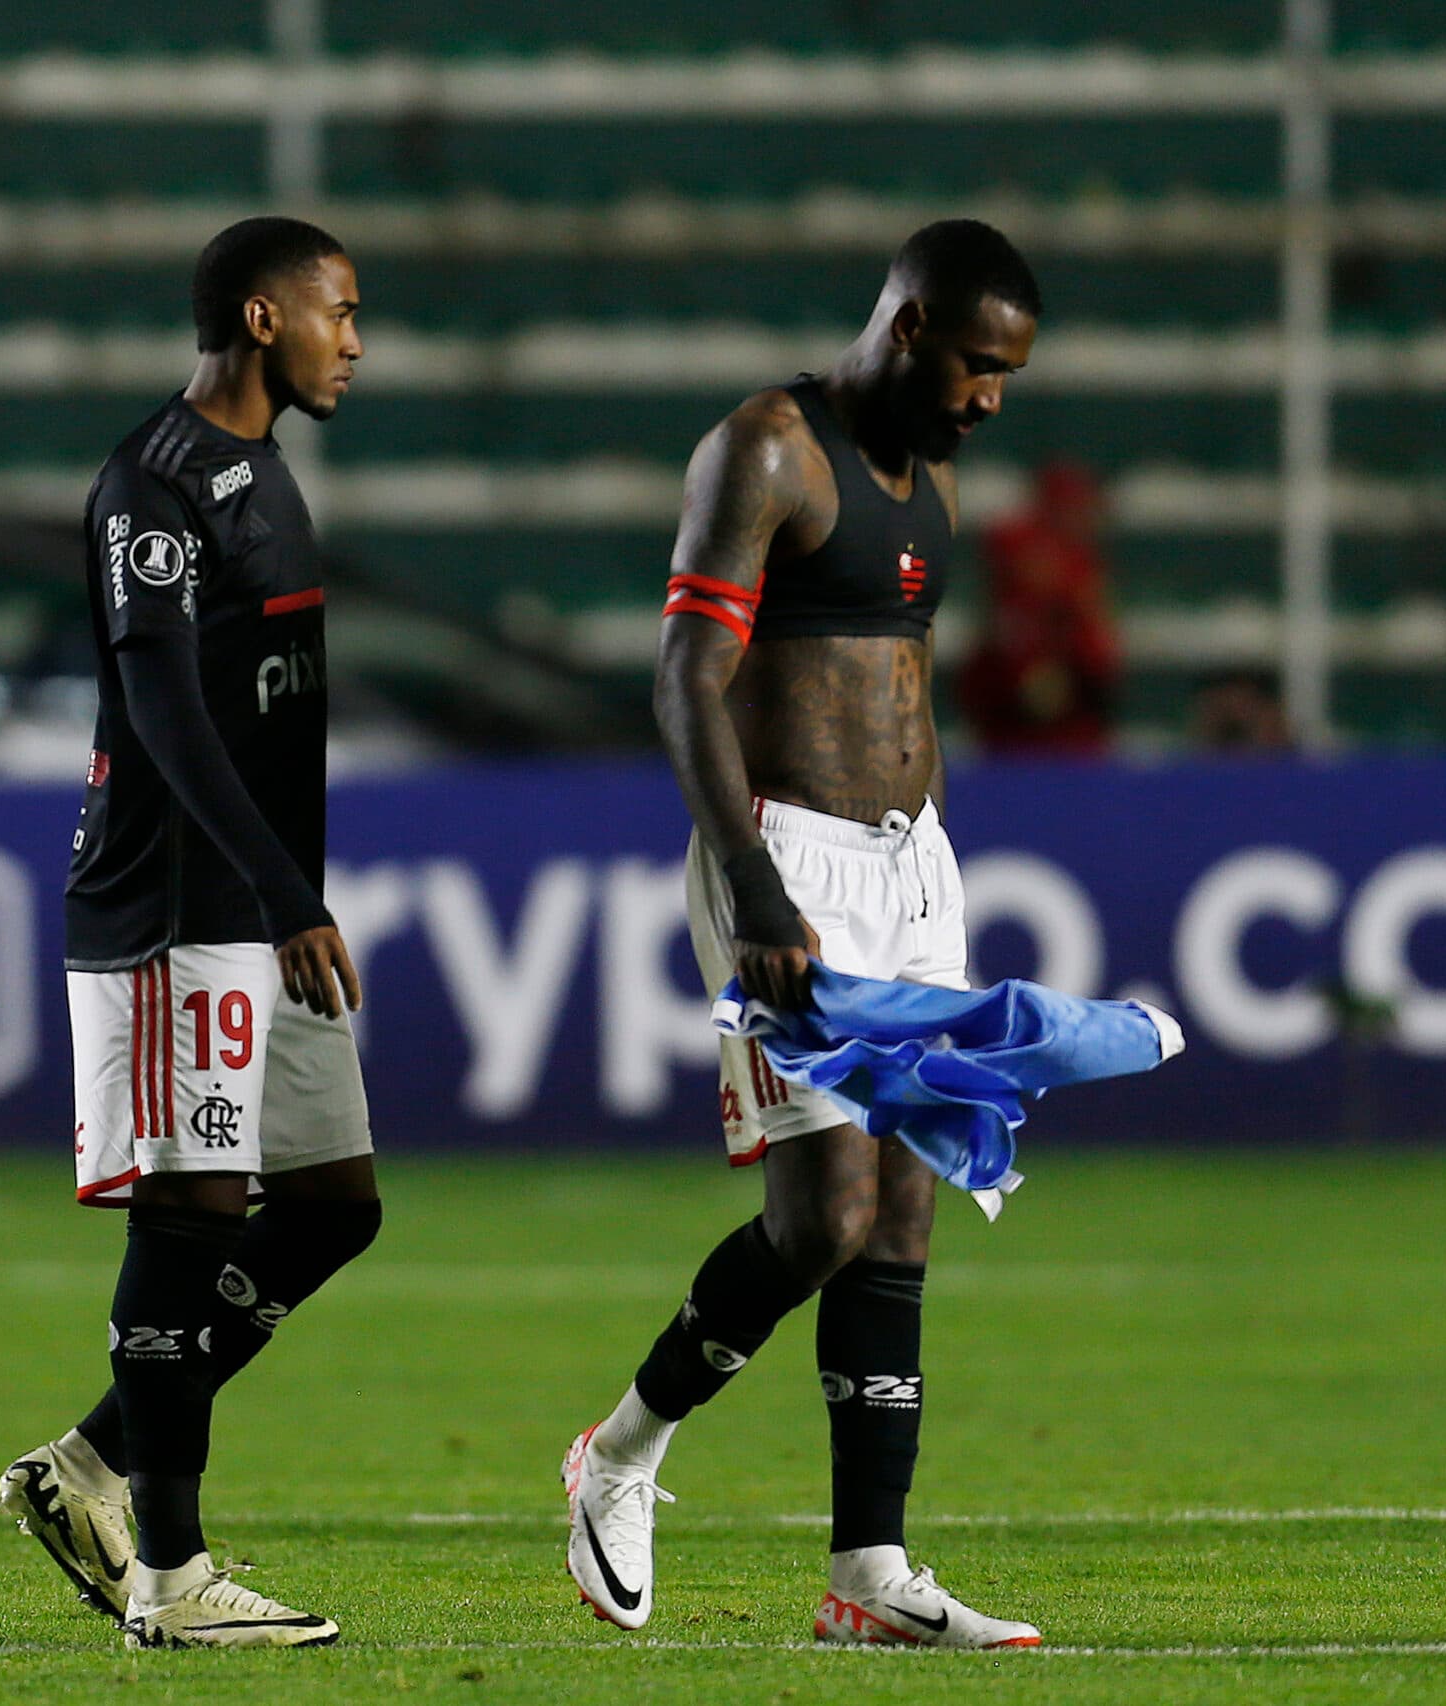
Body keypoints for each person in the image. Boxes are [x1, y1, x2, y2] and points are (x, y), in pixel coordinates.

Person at [561, 220, 1046, 1648]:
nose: (989, 397)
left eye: (1009, 373)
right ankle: (624, 1448)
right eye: (976, 364)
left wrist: (934, 863)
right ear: (906, 327)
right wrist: (755, 880)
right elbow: (685, 681)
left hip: (911, 871)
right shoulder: (767, 449)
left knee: (903, 1212)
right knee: (821, 1216)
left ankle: (870, 1572)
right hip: (788, 861)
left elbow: (901, 681)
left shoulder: (933, 475)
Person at [0, 217, 378, 1651]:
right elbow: (163, 708)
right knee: (195, 1210)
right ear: (265, 315)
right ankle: (168, 1568)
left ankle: (93, 1459)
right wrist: (282, 891)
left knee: (336, 1204)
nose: (358, 338)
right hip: (174, 898)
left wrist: (283, 888)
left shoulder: (266, 472)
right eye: (341, 311)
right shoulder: (152, 484)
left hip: (256, 899)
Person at [958, 459, 1121, 753]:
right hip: (1009, 741)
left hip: (1073, 744)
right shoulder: (1007, 597)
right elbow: (978, 684)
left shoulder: (1082, 579)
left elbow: (1103, 667)